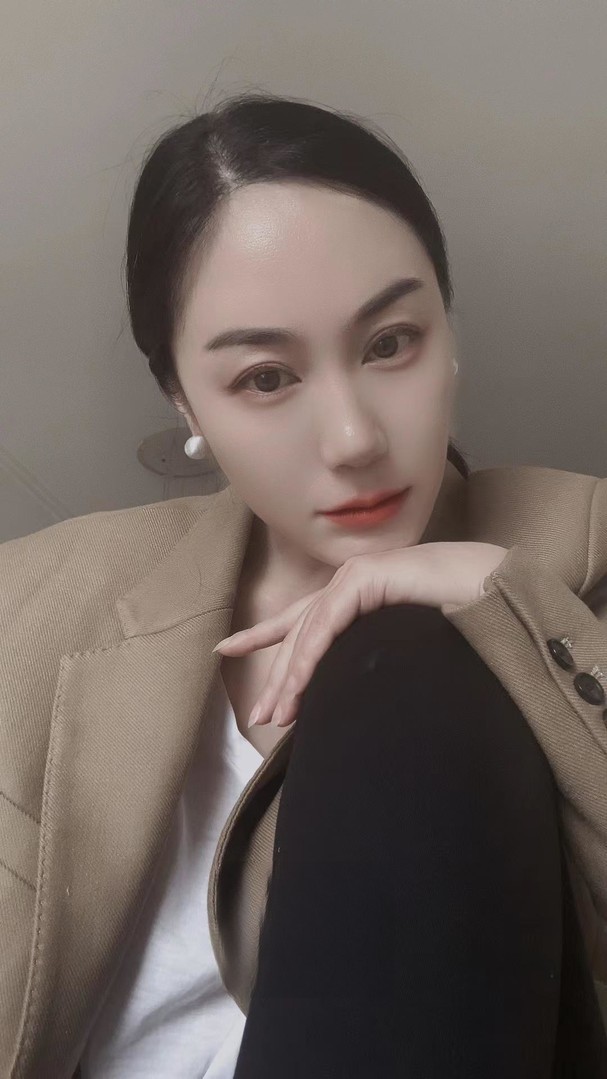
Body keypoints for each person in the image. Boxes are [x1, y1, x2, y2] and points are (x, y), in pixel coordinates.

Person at [1, 91, 606, 1078]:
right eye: (266, 378)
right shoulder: (34, 602)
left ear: (447, 331)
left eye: (390, 342)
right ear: (183, 398)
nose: (355, 438)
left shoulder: (579, 547)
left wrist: (493, 592)